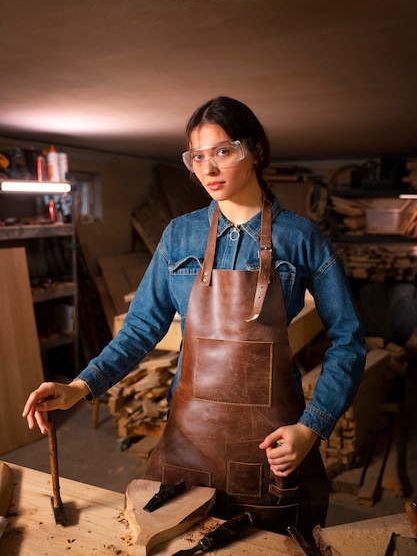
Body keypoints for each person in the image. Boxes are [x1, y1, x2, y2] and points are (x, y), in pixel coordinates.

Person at [23, 96, 366, 536]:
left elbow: (348, 340)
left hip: (272, 447)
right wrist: (78, 387)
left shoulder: (301, 238)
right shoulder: (178, 235)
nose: (208, 168)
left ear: (255, 151)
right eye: (197, 156)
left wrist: (311, 427)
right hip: (187, 444)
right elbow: (141, 329)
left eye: (223, 151)